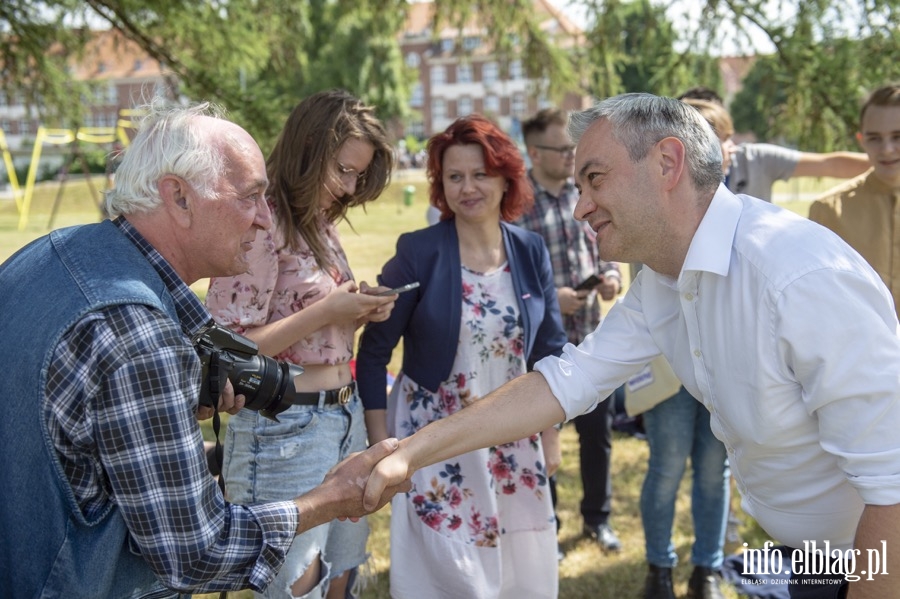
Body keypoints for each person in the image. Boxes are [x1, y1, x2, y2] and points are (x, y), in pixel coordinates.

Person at [363, 93, 900, 599]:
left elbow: (892, 492)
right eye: (577, 186)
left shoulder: (799, 278)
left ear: (668, 163)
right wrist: (408, 452)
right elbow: (567, 380)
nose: (580, 208)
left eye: (594, 179)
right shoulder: (665, 282)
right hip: (818, 558)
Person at [0, 101, 406, 598]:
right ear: (180, 198)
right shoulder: (139, 334)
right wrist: (328, 499)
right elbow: (197, 552)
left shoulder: (50, 253)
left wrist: (177, 411)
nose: (263, 219)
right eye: (251, 197)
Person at [356, 114, 568, 599]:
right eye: (454, 176)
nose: (467, 187)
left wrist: (550, 435)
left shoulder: (530, 250)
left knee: (520, 569)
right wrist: (381, 446)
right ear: (440, 184)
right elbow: (374, 352)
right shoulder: (418, 251)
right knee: (453, 574)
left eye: (480, 174)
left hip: (514, 432)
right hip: (437, 441)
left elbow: (550, 351)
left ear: (505, 178)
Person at [205, 89, 397, 599]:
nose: (349, 185)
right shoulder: (261, 225)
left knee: (341, 569)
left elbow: (314, 337)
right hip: (284, 427)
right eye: (342, 169)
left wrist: (357, 314)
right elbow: (228, 351)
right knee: (294, 583)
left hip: (341, 417)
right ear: (307, 150)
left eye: (358, 175)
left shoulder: (318, 226)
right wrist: (328, 310)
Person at [634, 97, 738, 599]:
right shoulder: (656, 207)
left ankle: (707, 569)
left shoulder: (743, 218)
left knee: (714, 473)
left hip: (723, 365)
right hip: (667, 364)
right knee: (667, 465)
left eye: (719, 139)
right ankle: (659, 568)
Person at [515, 107, 623, 554]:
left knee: (598, 436)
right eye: (561, 149)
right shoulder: (516, 202)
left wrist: (611, 274)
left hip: (590, 339)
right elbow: (511, 273)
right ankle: (550, 524)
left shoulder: (587, 192)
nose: (569, 156)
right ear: (534, 153)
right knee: (544, 436)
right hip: (542, 345)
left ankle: (598, 519)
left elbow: (606, 246)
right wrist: (548, 299)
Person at [678, 87, 870, 202]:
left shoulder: (756, 160)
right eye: (721, 137)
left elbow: (829, 164)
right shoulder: (672, 184)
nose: (732, 146)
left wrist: (884, 163)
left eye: (729, 136)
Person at [809, 84, 900, 318]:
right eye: (874, 138)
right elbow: (819, 296)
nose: (887, 149)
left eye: (897, 136)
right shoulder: (828, 210)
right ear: (861, 140)